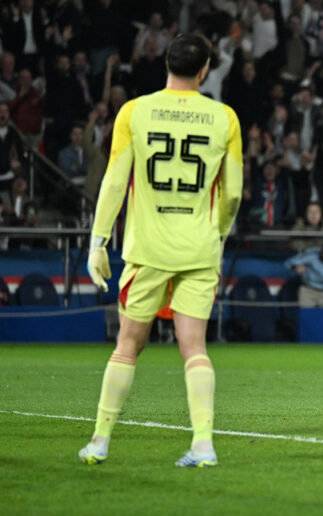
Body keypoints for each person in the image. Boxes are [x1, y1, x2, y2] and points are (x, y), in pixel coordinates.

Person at [80, 34, 243, 468]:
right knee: (195, 348)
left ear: (166, 64)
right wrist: (218, 234)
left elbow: (115, 180)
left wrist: (98, 242)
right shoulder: (224, 117)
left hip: (148, 250)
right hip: (199, 250)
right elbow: (232, 194)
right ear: (204, 70)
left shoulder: (135, 111)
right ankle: (203, 444)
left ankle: (99, 441)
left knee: (127, 346)